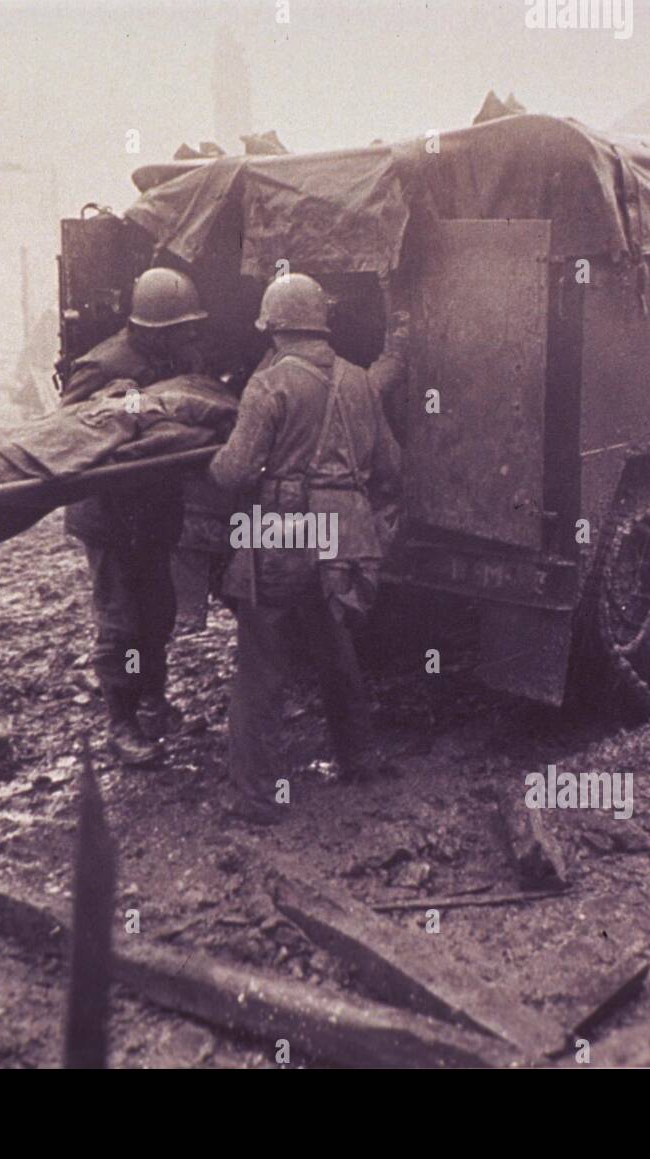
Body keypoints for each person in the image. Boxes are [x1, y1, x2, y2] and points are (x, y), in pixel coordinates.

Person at [209, 272, 405, 825]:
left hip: (282, 529)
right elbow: (391, 467)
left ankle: (257, 797)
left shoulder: (268, 384)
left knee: (261, 663)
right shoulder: (360, 382)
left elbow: (235, 471)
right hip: (344, 534)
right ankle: (360, 760)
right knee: (335, 646)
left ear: (273, 328)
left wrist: (208, 463)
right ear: (321, 323)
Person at [60, 268, 211, 767]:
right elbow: (67, 434)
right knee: (122, 620)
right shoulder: (104, 365)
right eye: (183, 327)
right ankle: (121, 724)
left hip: (152, 510)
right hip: (110, 513)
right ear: (155, 327)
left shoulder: (171, 358)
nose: (191, 336)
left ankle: (153, 701)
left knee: (157, 612)